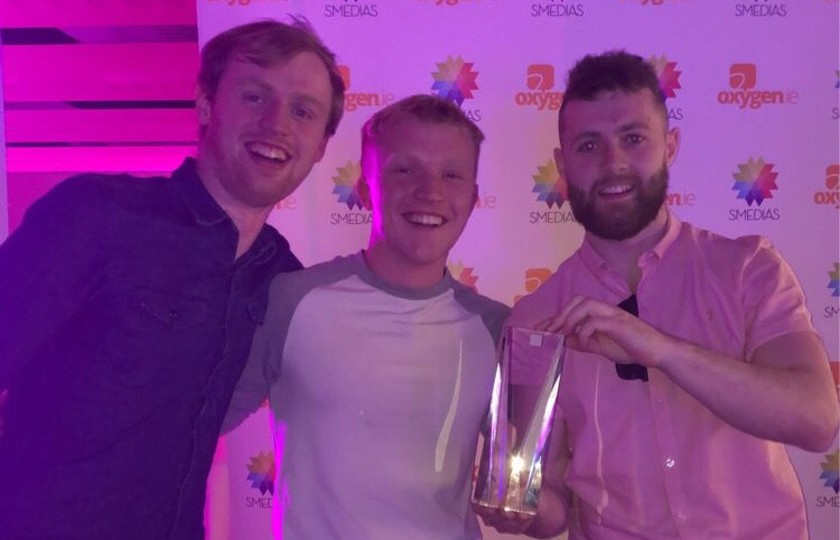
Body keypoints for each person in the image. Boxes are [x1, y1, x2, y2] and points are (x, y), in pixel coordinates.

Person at [0, 19, 345, 540]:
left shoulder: (282, 281)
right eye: (254, 96)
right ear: (206, 104)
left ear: (320, 145)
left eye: (303, 111)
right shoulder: (98, 218)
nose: (277, 123)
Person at [482, 50, 839, 539]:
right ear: (563, 166)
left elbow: (816, 421)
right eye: (589, 146)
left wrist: (663, 351)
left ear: (670, 146)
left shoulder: (747, 268)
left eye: (633, 139)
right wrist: (520, 504)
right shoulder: (536, 318)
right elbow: (554, 502)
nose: (613, 164)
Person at [222, 94, 510, 540]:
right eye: (403, 169)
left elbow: (534, 489)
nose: (429, 191)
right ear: (364, 187)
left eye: (451, 175)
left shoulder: (498, 329)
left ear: (472, 199)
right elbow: (198, 423)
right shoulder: (292, 299)